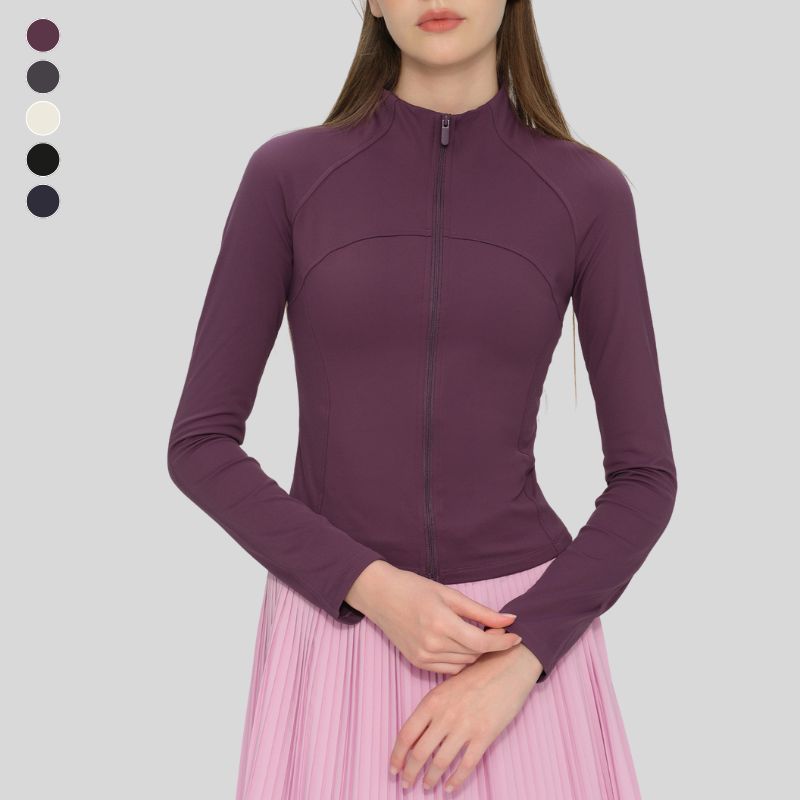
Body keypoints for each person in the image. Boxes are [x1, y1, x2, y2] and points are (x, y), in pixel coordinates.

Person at [167, 1, 677, 797]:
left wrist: (523, 657)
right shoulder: (287, 176)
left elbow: (646, 479)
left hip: (521, 646)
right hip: (336, 624)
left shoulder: (589, 192)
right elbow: (200, 445)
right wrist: (371, 586)